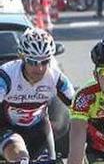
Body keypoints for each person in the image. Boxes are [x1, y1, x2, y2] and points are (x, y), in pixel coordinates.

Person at [0, 28, 74, 162]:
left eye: (45, 61)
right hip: (7, 126)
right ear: (22, 57)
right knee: (20, 158)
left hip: (38, 127)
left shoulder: (56, 78)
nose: (39, 68)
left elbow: (77, 105)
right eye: (33, 62)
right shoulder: (7, 75)